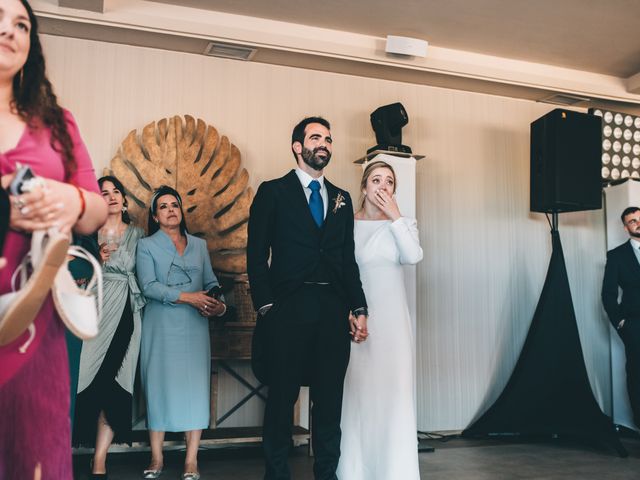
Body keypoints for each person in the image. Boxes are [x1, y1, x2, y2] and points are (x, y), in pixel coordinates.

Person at [0, 0, 107, 477]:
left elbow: (97, 206)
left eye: (21, 23)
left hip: (35, 311)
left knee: (35, 447)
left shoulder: (57, 124)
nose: (9, 32)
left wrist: (73, 201)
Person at [247, 116, 368, 480]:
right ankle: (277, 474)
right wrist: (267, 306)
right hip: (288, 310)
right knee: (282, 400)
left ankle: (327, 474)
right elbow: (255, 254)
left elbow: (348, 260)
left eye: (329, 139)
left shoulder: (343, 199)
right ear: (297, 146)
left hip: (332, 311)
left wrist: (359, 307)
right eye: (316, 137)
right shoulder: (272, 191)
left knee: (329, 401)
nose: (325, 144)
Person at [336, 160, 423, 479]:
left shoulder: (403, 223)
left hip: (394, 323)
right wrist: (348, 311)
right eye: (376, 180)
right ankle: (356, 472)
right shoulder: (348, 225)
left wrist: (396, 217)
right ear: (363, 187)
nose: (382, 187)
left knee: (396, 394)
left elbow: (413, 257)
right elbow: (339, 272)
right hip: (358, 321)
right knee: (360, 395)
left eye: (389, 182)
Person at [137, 185, 226, 480]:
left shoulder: (199, 245)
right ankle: (157, 457)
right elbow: (148, 286)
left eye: (174, 204)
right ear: (154, 215)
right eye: (163, 206)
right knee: (158, 386)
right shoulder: (146, 245)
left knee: (195, 388)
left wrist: (217, 306)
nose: (170, 210)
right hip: (160, 326)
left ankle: (191, 460)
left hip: (195, 327)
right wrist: (190, 297)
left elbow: (211, 282)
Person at [73, 175, 146, 477]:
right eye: (105, 193)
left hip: (127, 312)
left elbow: (146, 275)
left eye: (117, 192)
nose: (113, 196)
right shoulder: (86, 235)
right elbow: (73, 275)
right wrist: (96, 262)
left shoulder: (139, 234)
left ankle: (100, 459)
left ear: (125, 199)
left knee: (116, 384)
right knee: (88, 378)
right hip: (93, 309)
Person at [602, 206, 640, 428]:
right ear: (626, 227)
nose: (638, 223)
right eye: (632, 221)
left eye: (639, 218)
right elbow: (607, 294)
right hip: (635, 325)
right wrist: (621, 323)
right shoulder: (616, 256)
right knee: (637, 376)